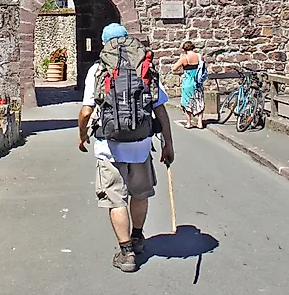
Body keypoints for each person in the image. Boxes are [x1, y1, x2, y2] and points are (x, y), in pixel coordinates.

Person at [77, 23, 174, 273]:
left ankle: (126, 252)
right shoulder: (145, 68)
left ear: (104, 43)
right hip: (141, 144)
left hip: (109, 146)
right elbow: (160, 109)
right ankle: (139, 237)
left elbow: (87, 110)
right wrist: (168, 144)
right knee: (139, 193)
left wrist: (81, 136)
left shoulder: (99, 69)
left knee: (115, 198)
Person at [171, 41, 207, 129]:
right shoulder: (199, 56)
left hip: (188, 82)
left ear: (184, 49)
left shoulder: (184, 58)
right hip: (198, 81)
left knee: (186, 102)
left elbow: (174, 69)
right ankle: (200, 123)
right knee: (199, 101)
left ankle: (188, 123)